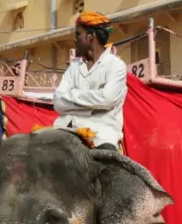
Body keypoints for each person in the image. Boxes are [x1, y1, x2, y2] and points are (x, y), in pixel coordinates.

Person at [52, 11, 128, 151]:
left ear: (91, 36)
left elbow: (107, 99)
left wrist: (72, 95)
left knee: (107, 166)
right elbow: (57, 102)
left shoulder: (115, 65)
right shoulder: (74, 66)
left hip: (101, 134)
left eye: (78, 35)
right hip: (67, 128)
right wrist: (94, 101)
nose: (75, 40)